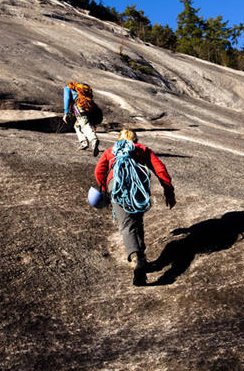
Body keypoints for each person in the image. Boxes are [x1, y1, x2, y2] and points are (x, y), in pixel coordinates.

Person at [94, 128, 176, 286]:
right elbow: (160, 169)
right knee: (137, 220)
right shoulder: (142, 149)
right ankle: (141, 258)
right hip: (138, 186)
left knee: (126, 224)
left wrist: (104, 189)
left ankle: (136, 257)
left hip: (116, 185)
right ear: (135, 140)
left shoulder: (110, 151)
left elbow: (99, 172)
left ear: (119, 140)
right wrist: (169, 191)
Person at [62, 81, 100, 156]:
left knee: (84, 124)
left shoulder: (68, 87)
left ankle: (93, 140)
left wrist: (65, 113)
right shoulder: (83, 90)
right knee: (77, 125)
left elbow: (67, 98)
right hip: (88, 106)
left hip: (79, 105)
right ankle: (84, 142)